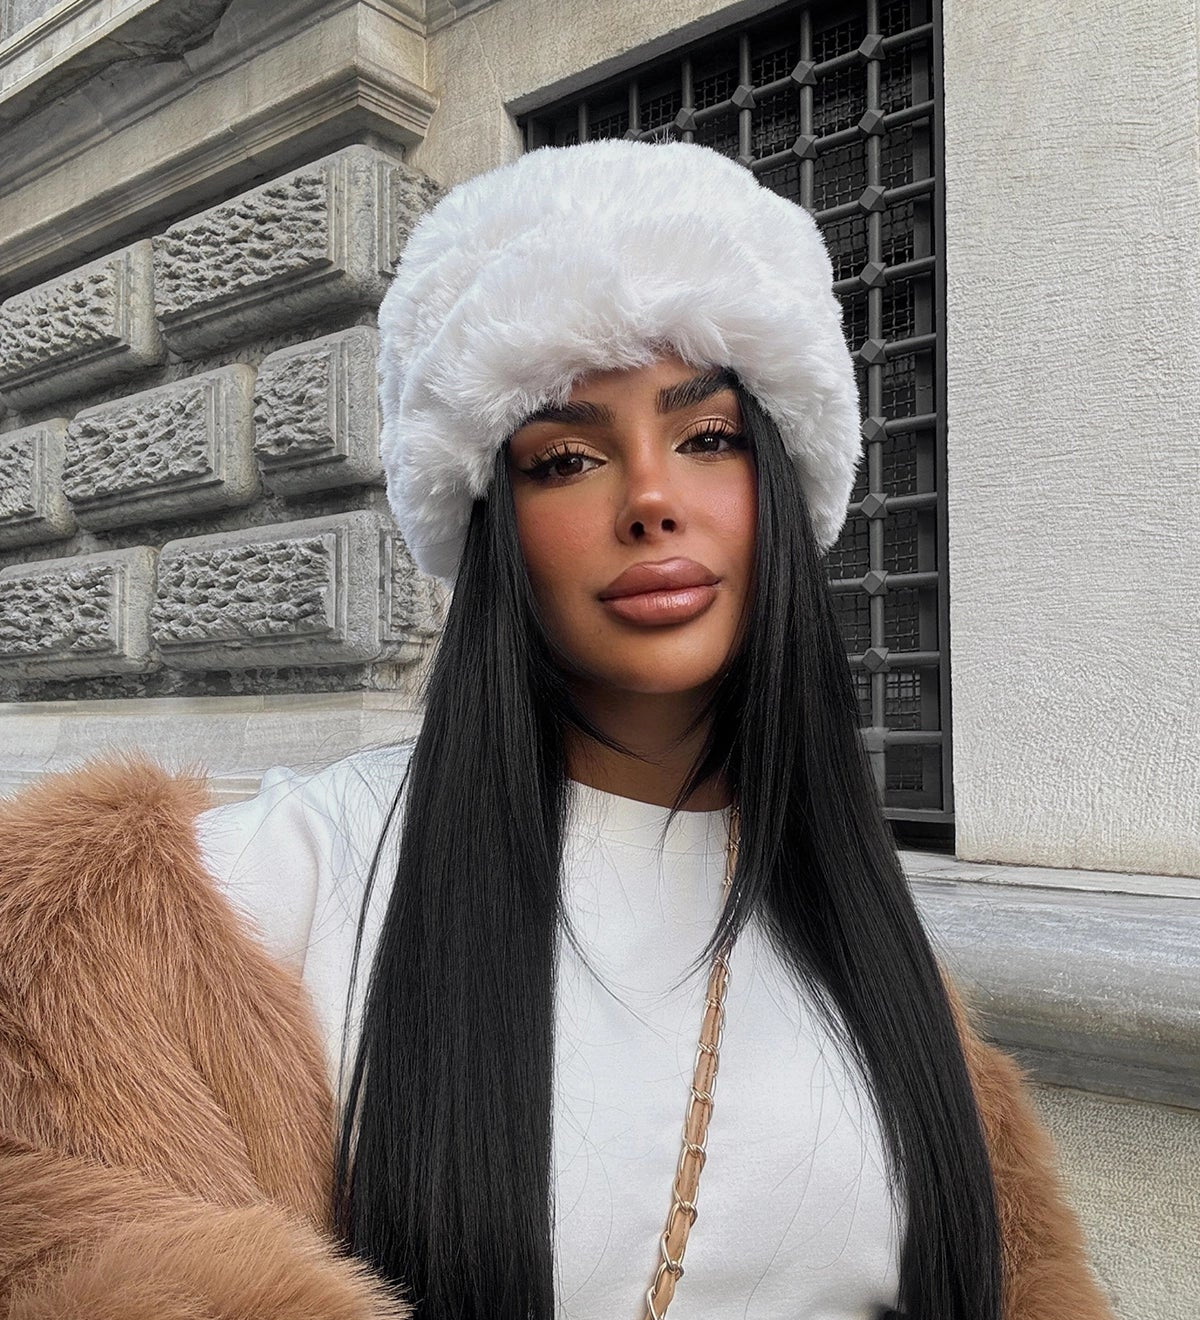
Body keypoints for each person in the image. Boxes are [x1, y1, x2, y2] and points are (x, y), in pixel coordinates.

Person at [0, 141, 1115, 1320]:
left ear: (778, 486)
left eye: (708, 438)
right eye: (569, 458)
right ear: (495, 521)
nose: (651, 499)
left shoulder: (869, 944)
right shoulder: (246, 897)